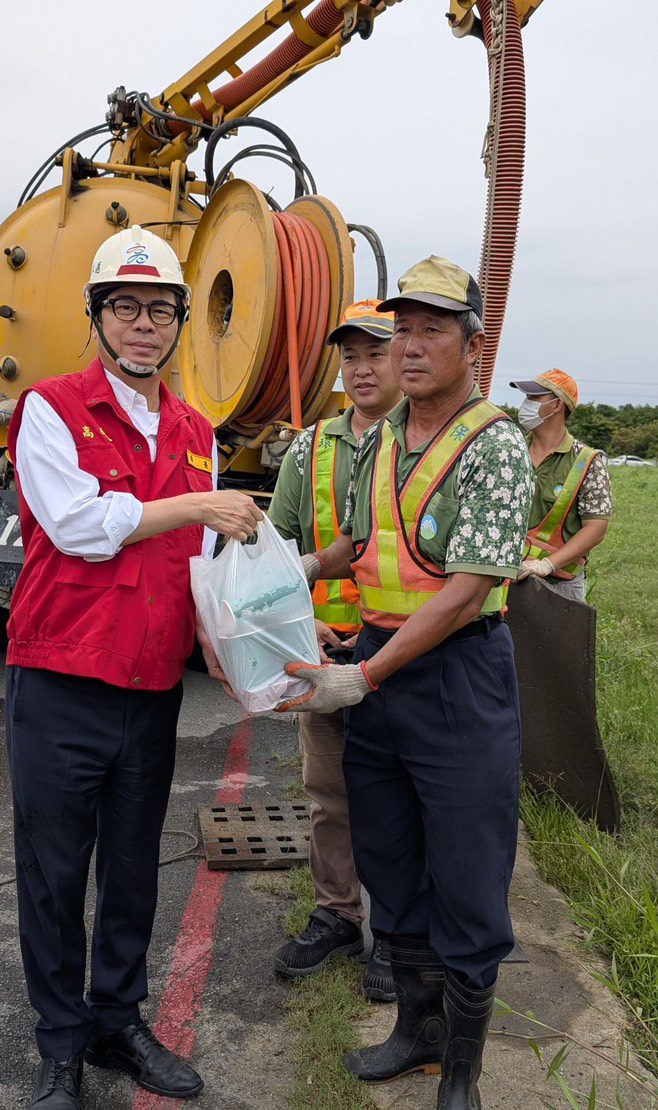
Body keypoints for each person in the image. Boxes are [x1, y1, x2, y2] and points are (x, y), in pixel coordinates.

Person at [4, 226, 263, 1108]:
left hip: (150, 688)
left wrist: (245, 645)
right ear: (98, 316)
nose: (142, 324)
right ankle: (58, 1047)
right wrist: (195, 500)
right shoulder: (51, 408)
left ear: (181, 321)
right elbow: (80, 525)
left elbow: (203, 562)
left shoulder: (197, 428)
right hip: (60, 680)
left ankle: (116, 1022)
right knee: (52, 871)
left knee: (132, 867)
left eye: (160, 308)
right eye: (125, 306)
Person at [278, 256, 535, 1109]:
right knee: (391, 857)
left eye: (432, 329)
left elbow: (466, 592)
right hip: (378, 664)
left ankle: (459, 1069)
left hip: (455, 679)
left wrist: (365, 674)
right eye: (405, 330)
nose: (412, 347)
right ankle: (416, 1033)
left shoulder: (494, 445)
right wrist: (293, 606)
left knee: (465, 869)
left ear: (472, 342)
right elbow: (365, 552)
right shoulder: (382, 439)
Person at [266, 301, 400, 1001]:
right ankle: (340, 914)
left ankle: (401, 933)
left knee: (403, 795)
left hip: (405, 654)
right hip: (325, 651)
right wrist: (301, 621)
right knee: (329, 792)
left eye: (374, 353)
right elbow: (276, 554)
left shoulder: (423, 442)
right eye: (350, 356)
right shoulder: (309, 447)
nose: (361, 368)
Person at [510, 369, 612, 602]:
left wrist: (547, 564)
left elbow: (596, 528)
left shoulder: (587, 462)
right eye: (526, 398)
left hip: (560, 586)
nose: (526, 404)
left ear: (557, 406)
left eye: (535, 398)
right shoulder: (513, 451)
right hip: (503, 578)